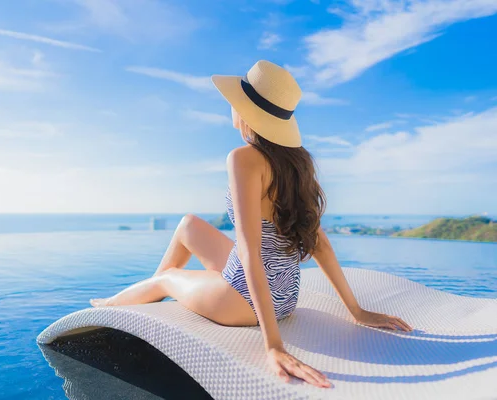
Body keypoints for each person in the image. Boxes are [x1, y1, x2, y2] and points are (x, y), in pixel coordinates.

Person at [90, 60, 413, 388]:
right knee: (188, 225)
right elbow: (320, 242)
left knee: (167, 277)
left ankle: (111, 307)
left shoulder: (244, 159)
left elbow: (249, 252)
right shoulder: (297, 161)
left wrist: (273, 345)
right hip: (286, 296)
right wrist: (355, 310)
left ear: (246, 111)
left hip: (244, 302)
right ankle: (153, 305)